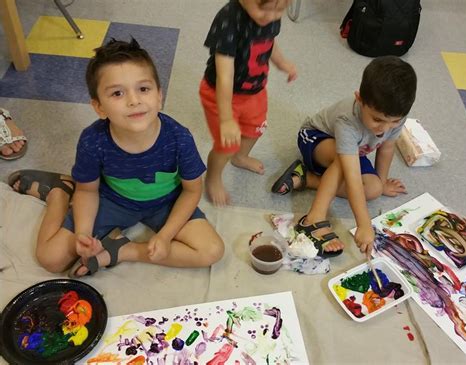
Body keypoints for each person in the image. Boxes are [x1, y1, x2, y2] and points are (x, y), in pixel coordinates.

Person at [8, 38, 224, 277]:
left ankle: (121, 251)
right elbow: (88, 191)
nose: (134, 100)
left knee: (211, 251)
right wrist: (84, 234)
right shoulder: (93, 140)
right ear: (99, 107)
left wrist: (165, 236)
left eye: (143, 89)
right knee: (50, 258)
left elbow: (192, 190)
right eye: (118, 93)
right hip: (112, 201)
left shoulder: (179, 138)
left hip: (167, 203)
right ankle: (59, 194)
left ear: (159, 96)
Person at [272, 56, 417, 258]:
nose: (384, 129)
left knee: (374, 189)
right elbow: (352, 176)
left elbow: (386, 148)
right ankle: (313, 218)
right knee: (344, 163)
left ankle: (307, 178)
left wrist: (382, 183)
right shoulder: (346, 121)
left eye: (393, 122)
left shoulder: (395, 116)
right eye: (377, 120)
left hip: (353, 152)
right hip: (315, 139)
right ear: (359, 99)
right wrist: (364, 224)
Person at [200, 0, 297, 206]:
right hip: (222, 94)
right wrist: (226, 119)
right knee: (226, 145)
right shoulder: (228, 20)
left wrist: (281, 62)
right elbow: (224, 76)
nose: (270, 17)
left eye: (279, 10)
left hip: (254, 90)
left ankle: (240, 156)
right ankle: (213, 177)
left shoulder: (269, 16)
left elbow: (269, 42)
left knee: (256, 129)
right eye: (264, 8)